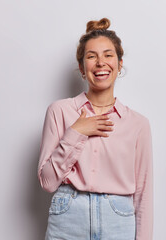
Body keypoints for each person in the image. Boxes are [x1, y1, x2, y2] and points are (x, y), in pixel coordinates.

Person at [38, 17, 153, 240]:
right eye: (92, 56)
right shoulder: (59, 111)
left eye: (108, 55)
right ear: (82, 67)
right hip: (68, 218)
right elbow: (47, 182)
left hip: (118, 221)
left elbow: (144, 194)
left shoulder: (138, 124)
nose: (100, 62)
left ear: (119, 64)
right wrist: (76, 132)